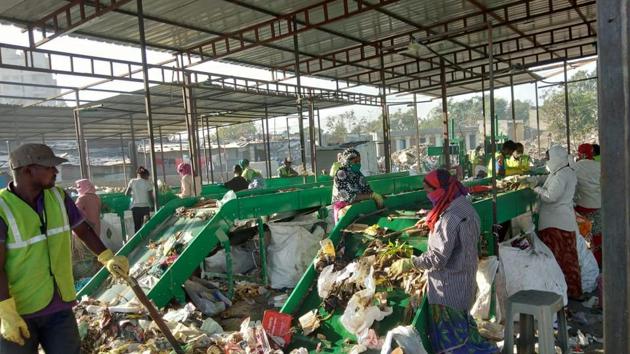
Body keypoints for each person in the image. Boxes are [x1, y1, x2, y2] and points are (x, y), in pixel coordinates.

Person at [0, 144, 128, 353]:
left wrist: (106, 256)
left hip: (59, 306)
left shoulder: (59, 197)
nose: (56, 172)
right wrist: (4, 310)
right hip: (18, 311)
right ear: (27, 170)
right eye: (49, 167)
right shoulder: (2, 208)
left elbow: (83, 230)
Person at [390, 169, 497, 354]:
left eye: (429, 190)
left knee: (452, 341)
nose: (427, 195)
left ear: (439, 189)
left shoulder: (449, 218)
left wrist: (410, 263)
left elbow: (438, 258)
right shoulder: (463, 205)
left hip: (447, 287)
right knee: (462, 329)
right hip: (465, 278)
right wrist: (430, 221)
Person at [529, 145, 582, 299]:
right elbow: (548, 181)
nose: (547, 161)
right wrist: (537, 179)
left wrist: (535, 188)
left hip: (555, 224)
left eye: (548, 158)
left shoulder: (561, 175)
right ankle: (573, 291)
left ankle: (560, 294)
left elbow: (551, 197)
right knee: (569, 257)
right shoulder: (564, 171)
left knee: (557, 258)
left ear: (556, 158)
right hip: (563, 221)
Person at [331, 148, 384, 222]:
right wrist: (372, 196)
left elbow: (366, 189)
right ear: (347, 161)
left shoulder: (357, 173)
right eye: (355, 161)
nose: (358, 164)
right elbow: (350, 197)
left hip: (355, 207)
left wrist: (378, 196)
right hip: (343, 209)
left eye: (359, 161)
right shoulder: (341, 173)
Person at [574, 143, 602, 266]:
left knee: (586, 237)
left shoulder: (576, 167)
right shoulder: (600, 166)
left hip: (582, 206)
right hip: (598, 205)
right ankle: (600, 264)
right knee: (598, 235)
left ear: (581, 153)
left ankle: (590, 264)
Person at [72, 179, 102, 279]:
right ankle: (97, 272)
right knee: (94, 250)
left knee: (84, 253)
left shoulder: (82, 199)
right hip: (96, 229)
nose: (77, 189)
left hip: (84, 231)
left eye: (79, 187)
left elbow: (75, 214)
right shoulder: (96, 197)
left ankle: (88, 275)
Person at [125, 166, 154, 233]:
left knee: (137, 227)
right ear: (145, 175)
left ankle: (138, 242)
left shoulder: (132, 181)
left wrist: (133, 195)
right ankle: (148, 241)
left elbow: (126, 193)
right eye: (148, 176)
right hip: (145, 208)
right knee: (146, 226)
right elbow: (151, 196)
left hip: (135, 208)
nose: (148, 178)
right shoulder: (148, 183)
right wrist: (152, 206)